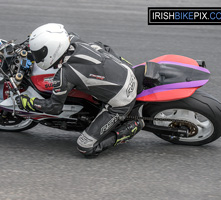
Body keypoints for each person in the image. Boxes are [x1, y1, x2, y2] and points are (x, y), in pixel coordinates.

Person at [16, 23, 144, 157]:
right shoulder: (73, 40)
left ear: (51, 51)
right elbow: (104, 46)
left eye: (38, 53)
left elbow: (54, 107)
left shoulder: (65, 75)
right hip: (126, 69)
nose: (37, 57)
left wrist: (28, 102)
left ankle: (132, 126)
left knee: (85, 146)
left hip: (122, 100)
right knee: (97, 46)